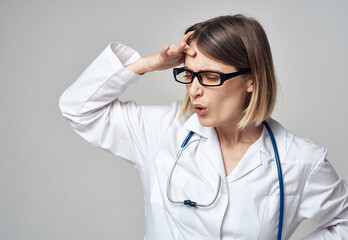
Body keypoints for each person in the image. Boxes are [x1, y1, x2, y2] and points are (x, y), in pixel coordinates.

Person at [59, 14, 348, 239]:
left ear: (253, 80)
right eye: (188, 74)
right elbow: (78, 108)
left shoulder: (299, 161)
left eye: (210, 76)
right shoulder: (162, 131)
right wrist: (148, 64)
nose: (194, 90)